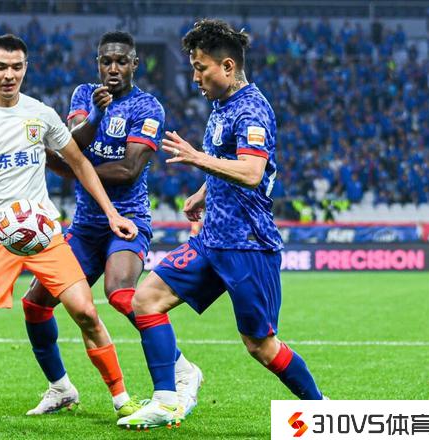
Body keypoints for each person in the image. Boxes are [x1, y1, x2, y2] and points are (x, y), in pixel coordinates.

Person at [118, 20, 326, 430]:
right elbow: (229, 163)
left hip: (247, 245)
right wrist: (204, 191)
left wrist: (197, 158)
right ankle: (166, 399)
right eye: (193, 68)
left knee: (261, 345)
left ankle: (322, 411)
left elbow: (251, 171)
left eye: (201, 68)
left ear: (228, 66)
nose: (195, 78)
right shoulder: (222, 106)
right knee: (146, 301)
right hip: (212, 240)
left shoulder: (251, 109)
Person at [0, 34, 143, 420]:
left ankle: (121, 398)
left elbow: (79, 163)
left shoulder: (40, 114)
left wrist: (112, 213)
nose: (9, 75)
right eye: (1, 67)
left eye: (16, 67)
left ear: (25, 68)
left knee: (86, 312)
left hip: (42, 233)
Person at [22, 31, 203, 418]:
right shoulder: (83, 95)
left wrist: (73, 168)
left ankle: (182, 369)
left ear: (135, 64)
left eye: (122, 61)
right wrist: (95, 117)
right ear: (98, 64)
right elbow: (72, 146)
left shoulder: (147, 107)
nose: (114, 68)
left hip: (128, 219)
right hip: (86, 226)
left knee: (121, 293)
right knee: (35, 304)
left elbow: (128, 169)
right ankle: (60, 388)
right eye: (107, 61)